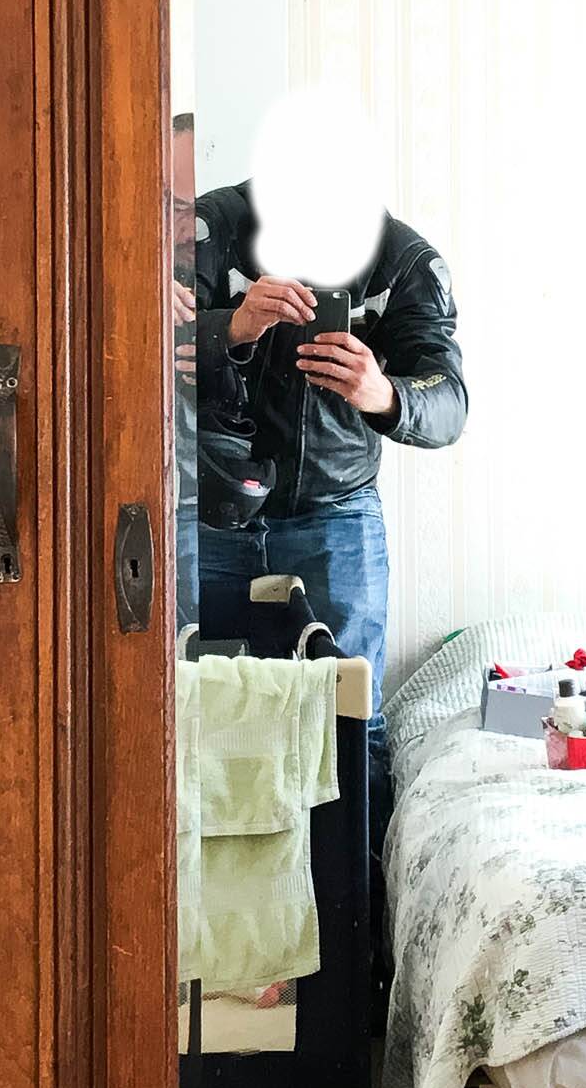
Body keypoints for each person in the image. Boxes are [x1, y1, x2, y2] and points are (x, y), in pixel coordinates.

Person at [193, 174, 466, 792]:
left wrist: (384, 394)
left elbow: (450, 400)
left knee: (352, 716)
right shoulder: (209, 228)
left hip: (336, 516)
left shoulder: (403, 260)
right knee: (185, 702)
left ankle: (354, 859)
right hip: (208, 506)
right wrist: (231, 328)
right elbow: (132, 341)